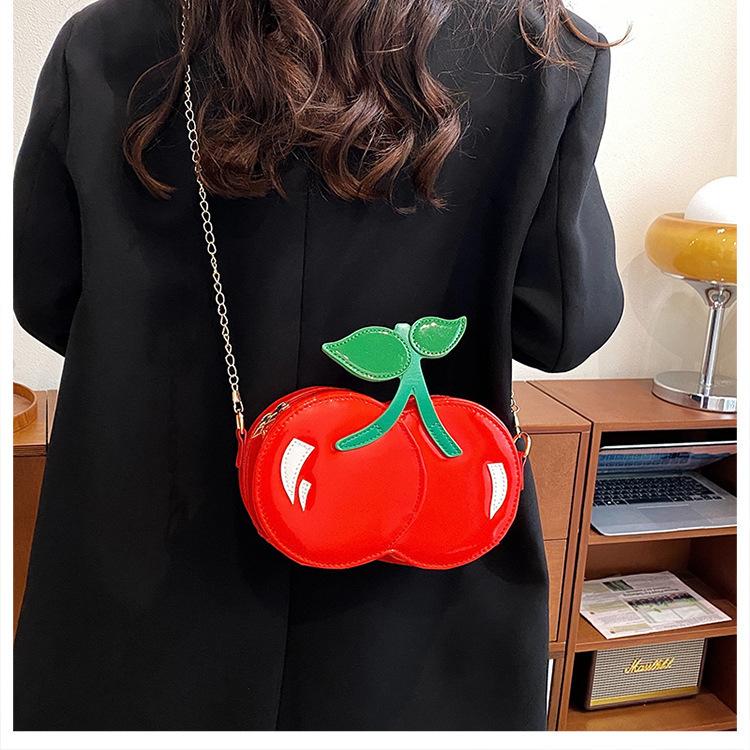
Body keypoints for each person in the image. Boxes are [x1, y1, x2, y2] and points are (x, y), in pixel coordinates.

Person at [14, 0, 623, 730]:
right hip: (416, 592)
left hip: (151, 555)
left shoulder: (106, 40)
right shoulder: (544, 49)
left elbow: (46, 298)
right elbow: (561, 330)